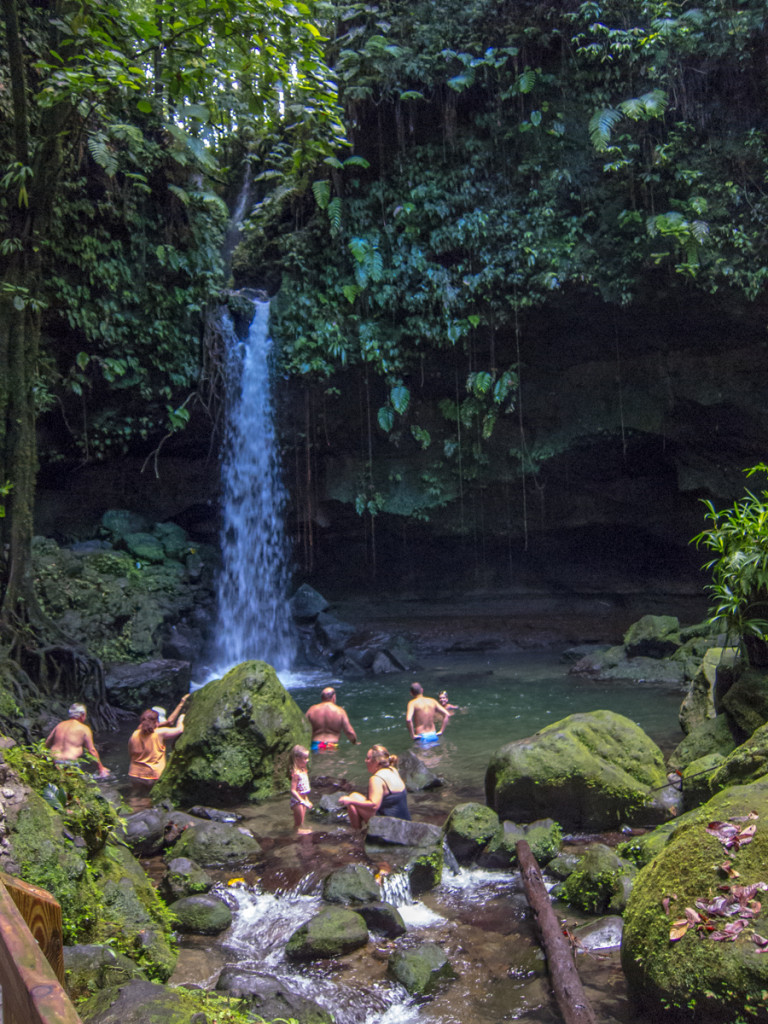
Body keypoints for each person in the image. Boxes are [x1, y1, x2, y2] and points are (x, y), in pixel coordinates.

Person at [339, 745, 410, 829]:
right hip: (405, 823)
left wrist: (349, 801)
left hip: (390, 826)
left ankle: (356, 834)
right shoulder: (393, 770)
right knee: (354, 796)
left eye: (368, 758)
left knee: (352, 800)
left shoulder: (376, 779)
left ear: (376, 762)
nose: (365, 761)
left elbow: (374, 806)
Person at [45, 703, 110, 777]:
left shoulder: (60, 725)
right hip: (69, 763)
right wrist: (101, 768)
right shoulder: (84, 728)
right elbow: (91, 750)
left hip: (54, 761)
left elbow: (47, 743)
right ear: (82, 715)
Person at [127, 707, 185, 789]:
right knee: (151, 799)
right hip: (152, 776)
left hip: (134, 774)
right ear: (157, 722)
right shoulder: (160, 733)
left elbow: (131, 753)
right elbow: (179, 730)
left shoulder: (134, 734)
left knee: (136, 796)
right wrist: (181, 717)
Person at [305, 686, 359, 751]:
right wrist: (354, 742)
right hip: (331, 745)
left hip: (316, 745)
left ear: (322, 698)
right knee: (332, 760)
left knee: (316, 760)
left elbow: (303, 728)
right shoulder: (340, 711)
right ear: (334, 697)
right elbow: (349, 732)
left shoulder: (312, 710)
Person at [289, 745, 313, 834]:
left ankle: (300, 833)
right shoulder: (296, 773)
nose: (307, 760)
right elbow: (293, 790)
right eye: (305, 758)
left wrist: (307, 800)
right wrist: (302, 801)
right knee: (298, 824)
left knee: (302, 822)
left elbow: (304, 790)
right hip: (297, 801)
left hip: (303, 799)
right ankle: (296, 834)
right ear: (297, 759)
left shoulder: (304, 770)